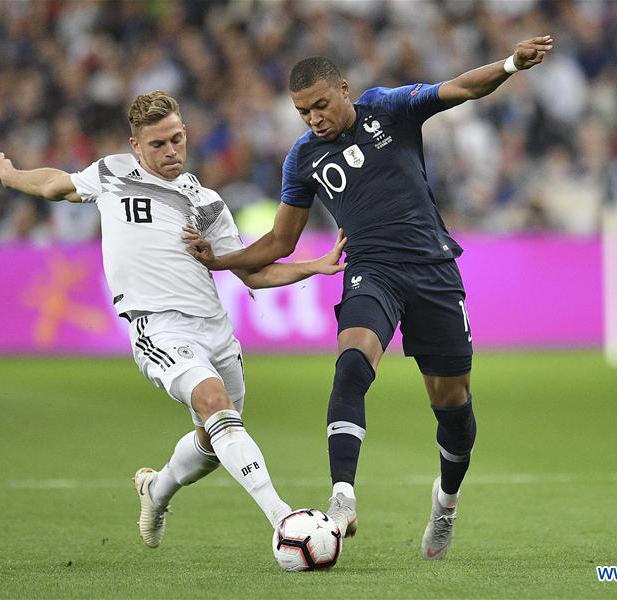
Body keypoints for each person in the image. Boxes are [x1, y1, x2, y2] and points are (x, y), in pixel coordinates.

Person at [184, 36, 554, 560]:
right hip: (371, 270)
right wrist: (218, 260)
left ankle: (445, 501)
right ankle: (342, 498)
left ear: (344, 90)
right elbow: (279, 243)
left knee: (452, 403)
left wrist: (513, 64)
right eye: (301, 111)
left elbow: (462, 88)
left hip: (432, 269)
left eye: (320, 105)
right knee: (352, 362)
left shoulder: (388, 107)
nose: (312, 118)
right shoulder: (303, 159)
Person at [0, 91, 347, 548]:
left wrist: (312, 266)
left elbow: (250, 273)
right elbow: (54, 185)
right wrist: (10, 173)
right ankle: (284, 519)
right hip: (158, 327)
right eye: (158, 144)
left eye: (177, 139)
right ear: (136, 146)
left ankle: (156, 490)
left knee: (213, 440)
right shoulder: (113, 173)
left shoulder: (207, 201)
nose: (171, 151)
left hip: (216, 331)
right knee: (215, 403)